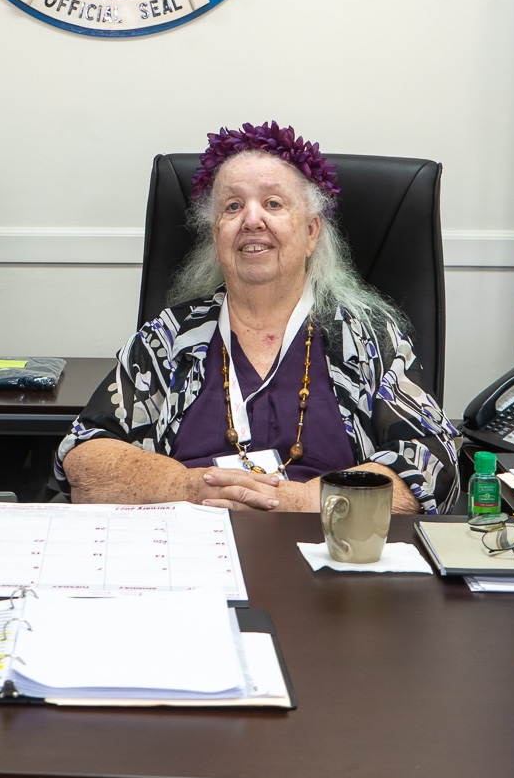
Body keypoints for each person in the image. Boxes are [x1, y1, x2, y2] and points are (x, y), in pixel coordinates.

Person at [57, 123, 462, 513]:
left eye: (273, 204)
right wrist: (185, 487)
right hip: (192, 542)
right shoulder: (168, 337)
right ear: (216, 236)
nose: (252, 220)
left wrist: (302, 503)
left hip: (324, 544)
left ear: (311, 232)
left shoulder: (369, 338)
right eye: (233, 206)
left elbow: (433, 462)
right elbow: (83, 455)